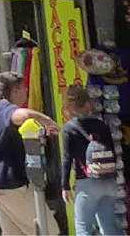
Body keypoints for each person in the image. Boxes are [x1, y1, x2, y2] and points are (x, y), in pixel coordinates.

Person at [0, 70, 58, 236]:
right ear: (15, 90)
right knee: (48, 230)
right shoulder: (7, 110)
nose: (27, 91)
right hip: (12, 185)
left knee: (14, 233)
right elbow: (24, 115)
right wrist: (49, 122)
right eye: (24, 88)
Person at [62, 84, 123, 235]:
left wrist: (65, 186)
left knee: (83, 228)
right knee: (108, 227)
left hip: (86, 182)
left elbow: (67, 159)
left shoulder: (69, 128)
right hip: (108, 182)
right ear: (89, 104)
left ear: (69, 107)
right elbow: (114, 153)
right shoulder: (102, 125)